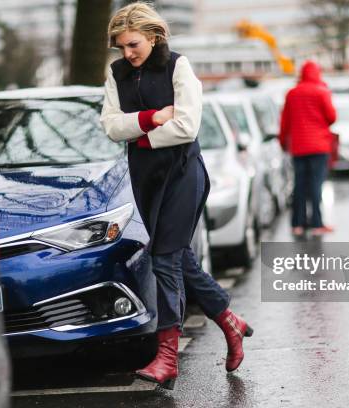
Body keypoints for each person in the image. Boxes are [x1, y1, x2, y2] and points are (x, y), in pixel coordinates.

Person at [100, 2, 253, 390]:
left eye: (133, 44)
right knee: (178, 255)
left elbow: (186, 126)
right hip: (146, 177)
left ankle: (167, 357)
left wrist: (141, 137)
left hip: (183, 173)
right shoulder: (116, 73)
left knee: (164, 258)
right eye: (121, 47)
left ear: (153, 37)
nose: (128, 53)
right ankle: (228, 320)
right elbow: (111, 126)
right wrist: (152, 118)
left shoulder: (178, 66)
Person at [279, 60, 337, 238]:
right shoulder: (322, 91)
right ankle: (317, 224)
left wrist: (283, 142)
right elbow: (332, 117)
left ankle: (297, 224)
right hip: (319, 147)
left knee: (300, 185)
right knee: (315, 185)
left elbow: (285, 122)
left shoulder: (292, 94)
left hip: (298, 147)